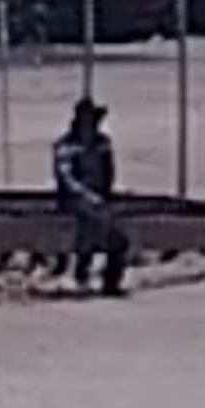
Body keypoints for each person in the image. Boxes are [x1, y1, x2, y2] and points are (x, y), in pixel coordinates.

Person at [52, 94, 129, 298]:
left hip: (99, 199)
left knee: (118, 233)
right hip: (74, 201)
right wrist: (87, 196)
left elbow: (109, 171)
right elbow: (66, 178)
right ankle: (81, 270)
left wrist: (104, 194)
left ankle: (110, 278)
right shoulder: (65, 146)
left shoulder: (102, 143)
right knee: (92, 225)